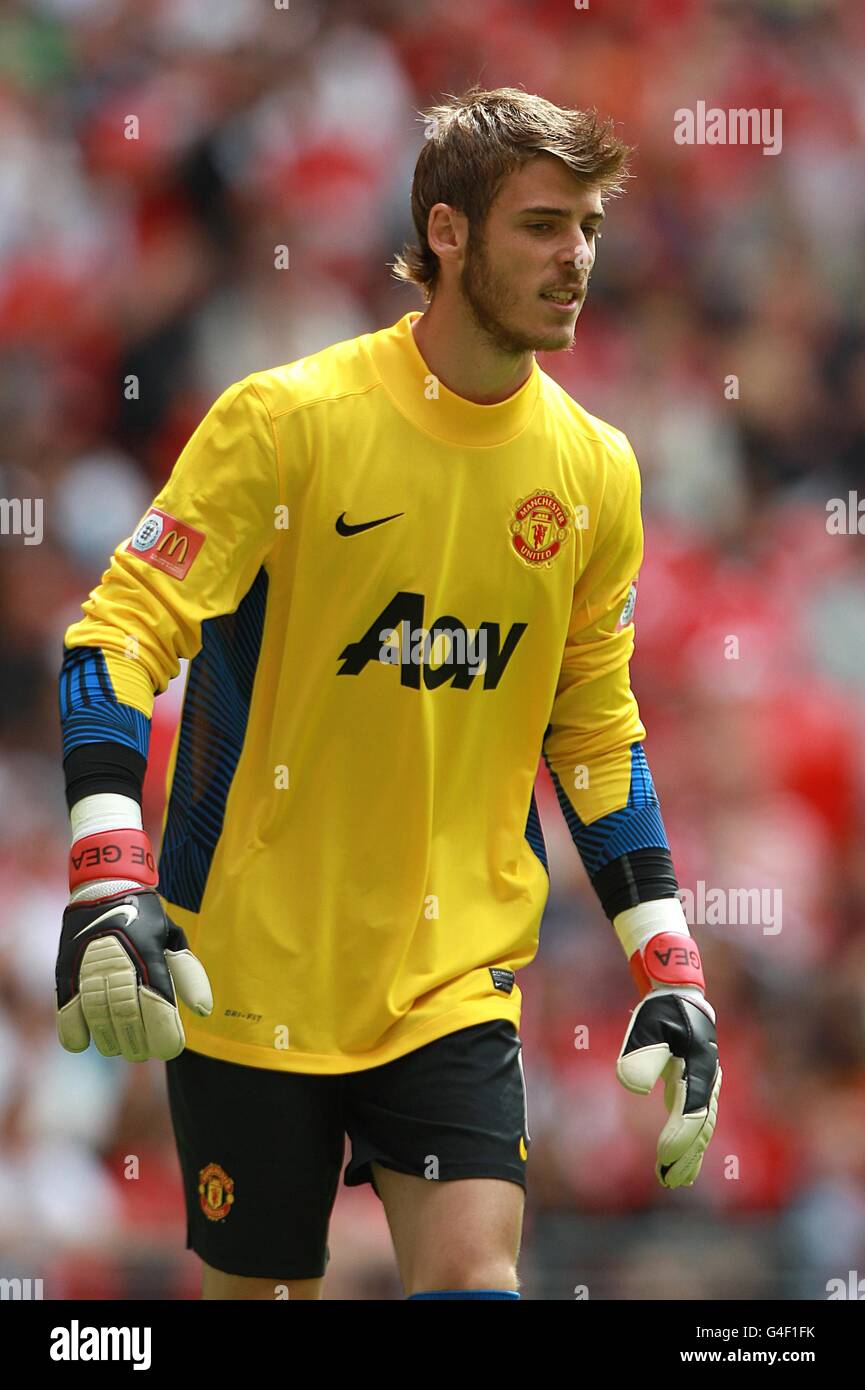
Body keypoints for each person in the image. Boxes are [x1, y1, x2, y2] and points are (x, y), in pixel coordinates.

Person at [55, 85, 721, 1302]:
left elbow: (594, 724)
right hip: (246, 970)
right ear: (448, 232)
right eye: (540, 225)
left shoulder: (595, 471)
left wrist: (665, 963)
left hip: (452, 979)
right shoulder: (288, 422)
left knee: (477, 1277)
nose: (575, 256)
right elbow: (112, 637)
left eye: (587, 226)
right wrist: (108, 871)